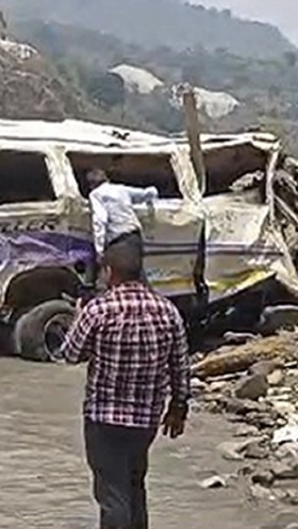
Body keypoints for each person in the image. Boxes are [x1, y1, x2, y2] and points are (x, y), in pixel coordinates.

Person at [61, 241, 189, 529]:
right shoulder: (167, 311)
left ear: (109, 272)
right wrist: (179, 408)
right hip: (146, 421)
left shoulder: (98, 310)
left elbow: (69, 355)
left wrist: (78, 317)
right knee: (134, 487)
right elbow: (180, 366)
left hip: (103, 419)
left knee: (112, 495)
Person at [87, 169, 158, 283]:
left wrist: (99, 250)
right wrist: (153, 192)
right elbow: (145, 194)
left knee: (118, 277)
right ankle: (147, 297)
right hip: (135, 237)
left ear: (91, 186)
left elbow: (100, 220)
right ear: (107, 179)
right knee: (136, 274)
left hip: (119, 240)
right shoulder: (121, 189)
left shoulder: (95, 194)